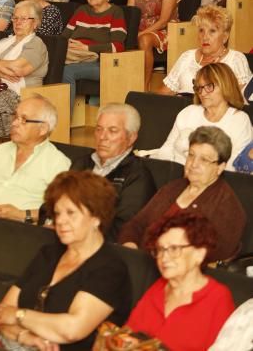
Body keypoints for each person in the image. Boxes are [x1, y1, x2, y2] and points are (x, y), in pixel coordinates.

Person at [0, 171, 131, 351]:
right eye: (57, 213)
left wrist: (19, 315)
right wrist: (25, 336)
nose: (61, 221)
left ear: (96, 217)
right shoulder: (48, 254)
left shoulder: (110, 268)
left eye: (71, 213)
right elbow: (2, 312)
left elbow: (72, 330)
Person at [120, 124, 246, 263]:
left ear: (220, 167)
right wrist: (129, 246)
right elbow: (137, 224)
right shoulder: (173, 188)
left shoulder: (228, 207)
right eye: (191, 155)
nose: (193, 164)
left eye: (204, 159)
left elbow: (213, 257)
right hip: (140, 262)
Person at [126, 211, 235, 351]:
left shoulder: (218, 299)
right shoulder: (158, 288)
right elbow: (127, 335)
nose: (164, 257)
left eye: (174, 249)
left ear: (199, 254)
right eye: (160, 249)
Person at [0, 95, 71, 223]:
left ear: (43, 129)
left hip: (20, 231)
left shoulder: (57, 163)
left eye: (24, 120)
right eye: (15, 117)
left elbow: (62, 211)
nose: (14, 123)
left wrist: (21, 214)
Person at [142, 63, 253, 169]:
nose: (202, 93)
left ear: (225, 86)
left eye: (209, 86)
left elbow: (235, 166)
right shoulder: (188, 113)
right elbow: (166, 150)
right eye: (199, 88)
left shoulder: (240, 121)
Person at [72, 102, 155, 239]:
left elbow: (122, 228)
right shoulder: (82, 163)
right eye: (99, 129)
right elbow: (52, 204)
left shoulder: (138, 176)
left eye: (112, 131)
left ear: (131, 138)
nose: (102, 137)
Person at [0, 0, 49, 138]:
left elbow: (19, 70)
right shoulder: (4, 42)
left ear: (35, 23)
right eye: (15, 18)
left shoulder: (36, 44)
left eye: (23, 19)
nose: (17, 22)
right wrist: (2, 72)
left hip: (21, 95)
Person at [62, 0, 127, 110]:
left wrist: (87, 49)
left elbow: (117, 47)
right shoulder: (81, 10)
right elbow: (63, 38)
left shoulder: (115, 12)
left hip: (101, 63)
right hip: (73, 56)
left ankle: (62, 123)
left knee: (66, 71)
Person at [160, 5, 252, 95]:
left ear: (225, 36)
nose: (205, 37)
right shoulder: (187, 57)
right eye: (201, 31)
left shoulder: (236, 59)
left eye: (212, 31)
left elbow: (242, 101)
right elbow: (164, 93)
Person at [128, 0, 182, 90]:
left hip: (165, 31)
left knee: (144, 39)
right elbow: (130, 15)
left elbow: (164, 21)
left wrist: (139, 34)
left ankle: (144, 87)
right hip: (139, 30)